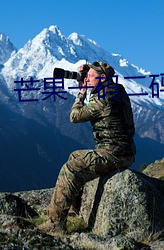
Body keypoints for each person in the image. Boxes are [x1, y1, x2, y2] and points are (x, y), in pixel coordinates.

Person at [38, 61, 136, 233]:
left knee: (71, 168)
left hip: (114, 153)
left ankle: (55, 224)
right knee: (75, 156)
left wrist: (81, 92)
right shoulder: (117, 89)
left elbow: (74, 117)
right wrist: (89, 73)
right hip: (123, 151)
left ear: (103, 78)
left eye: (90, 77)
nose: (87, 79)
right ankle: (75, 209)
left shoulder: (103, 100)